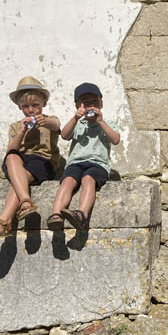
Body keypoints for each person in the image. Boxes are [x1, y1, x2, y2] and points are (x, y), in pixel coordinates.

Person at [0, 76, 61, 237]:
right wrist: (21, 131)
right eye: (25, 106)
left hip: (42, 161)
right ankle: (25, 202)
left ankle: (4, 220)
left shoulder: (49, 120)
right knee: (12, 157)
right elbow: (10, 151)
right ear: (19, 107)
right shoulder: (16, 126)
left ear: (44, 103)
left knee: (18, 180)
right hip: (20, 163)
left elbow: (56, 126)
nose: (31, 110)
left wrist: (45, 122)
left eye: (35, 105)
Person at [48, 82, 120, 230]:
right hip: (75, 163)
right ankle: (56, 215)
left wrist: (100, 122)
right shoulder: (78, 124)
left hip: (98, 164)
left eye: (94, 102)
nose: (91, 106)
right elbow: (64, 135)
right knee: (67, 181)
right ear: (78, 106)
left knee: (88, 179)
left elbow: (115, 139)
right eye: (86, 103)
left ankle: (81, 214)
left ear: (101, 103)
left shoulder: (107, 123)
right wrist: (75, 118)